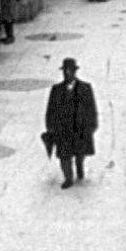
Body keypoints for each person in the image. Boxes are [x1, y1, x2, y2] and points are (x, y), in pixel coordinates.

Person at [44, 58, 98, 189]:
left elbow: (91, 108)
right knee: (64, 157)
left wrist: (92, 125)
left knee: (80, 153)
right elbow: (50, 109)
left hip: (80, 129)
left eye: (70, 71)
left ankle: (79, 167)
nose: (67, 74)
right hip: (63, 130)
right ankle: (68, 178)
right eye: (65, 71)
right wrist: (50, 126)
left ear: (75, 72)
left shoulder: (85, 88)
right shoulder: (56, 90)